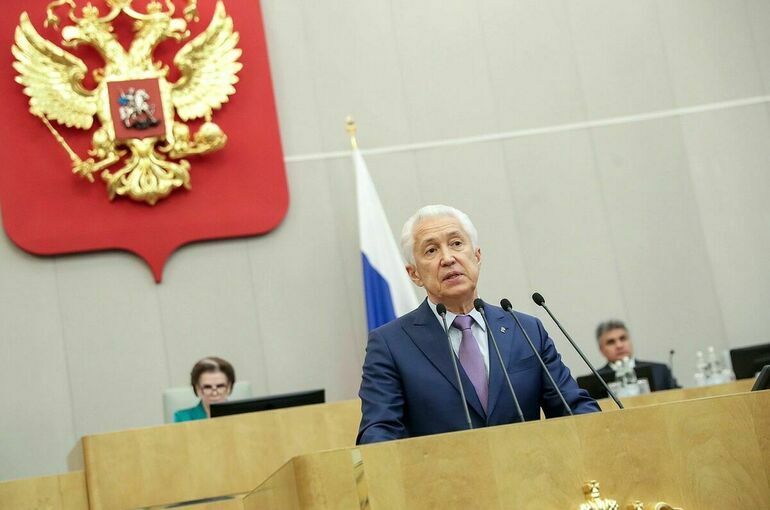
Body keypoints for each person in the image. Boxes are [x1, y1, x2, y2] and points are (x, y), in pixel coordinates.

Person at [356, 205, 599, 444]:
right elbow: (378, 436)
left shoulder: (526, 330)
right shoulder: (391, 344)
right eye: (431, 250)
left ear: (477, 256)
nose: (448, 258)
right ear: (414, 274)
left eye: (456, 243)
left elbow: (574, 408)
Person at [595, 320, 679, 391]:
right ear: (601, 350)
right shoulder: (596, 379)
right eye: (611, 342)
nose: (619, 345)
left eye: (623, 339)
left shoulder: (659, 370)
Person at [174, 357, 236, 422]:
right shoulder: (183, 418)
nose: (214, 393)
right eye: (207, 387)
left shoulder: (241, 414)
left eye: (220, 386)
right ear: (197, 389)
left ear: (229, 387)